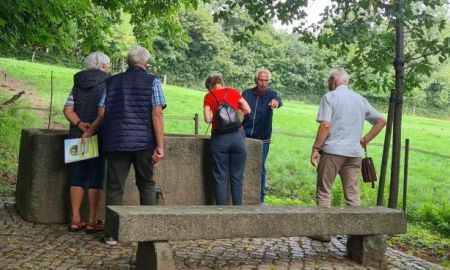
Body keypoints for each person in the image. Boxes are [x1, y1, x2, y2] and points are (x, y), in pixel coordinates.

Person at [310, 67, 386, 242]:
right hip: (354, 153)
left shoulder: (330, 97)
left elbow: (325, 125)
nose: (328, 85)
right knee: (352, 194)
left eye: (329, 82)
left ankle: (323, 231)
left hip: (332, 151)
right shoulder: (360, 99)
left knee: (324, 190)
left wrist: (316, 148)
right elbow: (381, 121)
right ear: (347, 82)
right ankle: (356, 235)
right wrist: (365, 139)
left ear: (333, 82)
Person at [102, 46, 166, 245]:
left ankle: (111, 234)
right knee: (146, 184)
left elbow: (102, 113)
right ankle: (147, 232)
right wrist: (160, 145)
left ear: (129, 62)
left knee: (114, 187)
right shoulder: (153, 81)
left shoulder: (111, 81)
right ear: (145, 63)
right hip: (144, 142)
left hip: (117, 141)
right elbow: (157, 112)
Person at [63, 51, 110, 233]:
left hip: (77, 134)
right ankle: (91, 220)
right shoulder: (108, 82)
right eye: (108, 65)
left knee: (77, 177)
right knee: (96, 177)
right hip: (98, 135)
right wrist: (91, 130)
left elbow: (67, 109)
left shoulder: (77, 83)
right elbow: (104, 112)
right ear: (104, 66)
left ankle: (75, 219)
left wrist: (81, 125)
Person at [203, 74, 251, 205]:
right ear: (221, 83)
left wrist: (219, 119)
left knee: (220, 177)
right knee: (237, 176)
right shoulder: (234, 92)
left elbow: (207, 119)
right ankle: (237, 209)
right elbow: (248, 109)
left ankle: (221, 211)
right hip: (238, 137)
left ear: (209, 86)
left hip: (219, 139)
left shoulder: (209, 97)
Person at [241, 68, 282, 204]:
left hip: (263, 139)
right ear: (255, 80)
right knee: (241, 165)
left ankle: (260, 199)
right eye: (261, 80)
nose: (263, 83)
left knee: (261, 168)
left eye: (266, 81)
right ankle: (240, 195)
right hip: (244, 136)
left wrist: (276, 102)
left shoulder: (272, 95)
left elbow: (278, 100)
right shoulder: (247, 93)